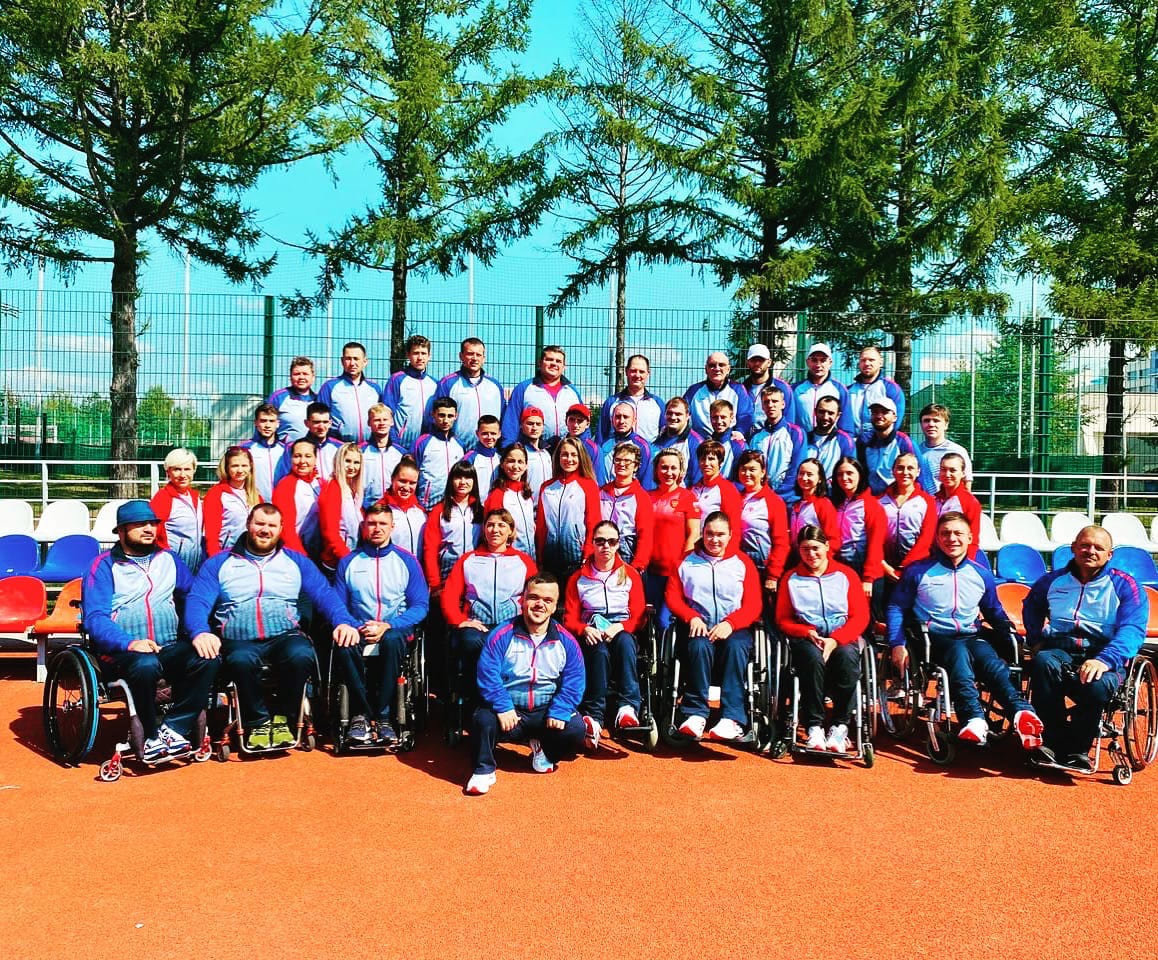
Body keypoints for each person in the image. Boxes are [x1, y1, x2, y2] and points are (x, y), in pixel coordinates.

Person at [186, 504, 359, 750]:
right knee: (240, 661)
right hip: (238, 639)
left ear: (280, 529)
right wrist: (200, 631)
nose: (265, 530)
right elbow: (198, 601)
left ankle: (283, 718)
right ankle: (257, 721)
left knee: (301, 655)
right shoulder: (219, 563)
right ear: (248, 524)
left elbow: (324, 594)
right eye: (260, 524)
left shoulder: (296, 562)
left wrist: (343, 622)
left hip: (284, 635)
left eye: (271, 525)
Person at [886, 511, 1044, 749]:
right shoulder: (918, 571)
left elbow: (994, 612)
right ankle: (973, 718)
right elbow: (896, 607)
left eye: (958, 533)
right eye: (945, 533)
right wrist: (897, 644)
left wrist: (1010, 634)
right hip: (932, 639)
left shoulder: (981, 574)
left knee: (992, 664)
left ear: (969, 537)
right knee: (959, 654)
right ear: (937, 538)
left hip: (971, 636)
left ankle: (1022, 712)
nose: (952, 538)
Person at [83, 500, 218, 762]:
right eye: (140, 524)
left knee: (208, 657)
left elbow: (193, 598)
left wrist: (200, 631)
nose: (149, 529)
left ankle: (174, 728)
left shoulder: (170, 560)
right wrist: (129, 643)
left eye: (153, 524)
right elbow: (96, 618)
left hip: (167, 646)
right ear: (121, 531)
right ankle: (151, 734)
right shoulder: (103, 566)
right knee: (146, 665)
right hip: (121, 652)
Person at [1025, 525, 1149, 772]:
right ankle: (1052, 742)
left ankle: (1077, 750)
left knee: (1097, 685)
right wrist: (1035, 638)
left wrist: (1105, 660)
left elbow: (1133, 629)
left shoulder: (1126, 586)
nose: (1090, 551)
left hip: (1103, 653)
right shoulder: (1050, 581)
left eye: (1098, 548)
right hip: (1060, 647)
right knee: (1042, 663)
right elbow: (1031, 606)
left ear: (1109, 555)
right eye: (1085, 545)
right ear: (1073, 548)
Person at [466, 574, 586, 796]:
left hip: (545, 713)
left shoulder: (566, 641)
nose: (540, 604)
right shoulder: (502, 634)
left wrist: (560, 710)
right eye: (534, 597)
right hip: (510, 712)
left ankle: (545, 751)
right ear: (523, 600)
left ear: (555, 607)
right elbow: (487, 673)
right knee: (482, 720)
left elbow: (575, 680)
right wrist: (503, 706)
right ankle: (484, 769)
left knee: (576, 729)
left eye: (548, 600)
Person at [331, 504, 430, 745]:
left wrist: (388, 625)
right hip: (358, 627)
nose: (377, 528)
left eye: (382, 524)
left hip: (395, 629)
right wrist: (354, 626)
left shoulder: (407, 560)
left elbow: (420, 605)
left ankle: (384, 716)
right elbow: (337, 605)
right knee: (344, 644)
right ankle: (361, 715)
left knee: (393, 640)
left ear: (392, 527)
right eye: (372, 523)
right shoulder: (349, 562)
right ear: (364, 526)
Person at [665, 511, 763, 741]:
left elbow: (754, 604)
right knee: (699, 646)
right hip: (698, 626)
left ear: (730, 535)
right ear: (702, 533)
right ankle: (695, 714)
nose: (714, 539)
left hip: (733, 628)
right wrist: (691, 617)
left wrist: (731, 623)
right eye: (709, 534)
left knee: (736, 647)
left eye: (720, 534)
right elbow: (672, 597)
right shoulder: (685, 562)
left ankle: (732, 719)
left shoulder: (742, 563)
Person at [776, 525, 870, 753]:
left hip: (842, 635)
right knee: (811, 659)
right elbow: (783, 618)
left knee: (848, 658)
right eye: (805, 549)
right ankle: (814, 726)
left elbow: (861, 616)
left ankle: (840, 726)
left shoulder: (846, 575)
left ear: (827, 547)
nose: (811, 554)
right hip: (808, 637)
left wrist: (836, 639)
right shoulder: (791, 578)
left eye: (816, 548)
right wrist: (806, 631)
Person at [441, 509, 538, 725]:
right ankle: (477, 703)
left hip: (511, 625)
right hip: (478, 625)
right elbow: (449, 596)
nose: (495, 530)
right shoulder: (469, 559)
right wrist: (460, 620)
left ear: (511, 531)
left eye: (502, 525)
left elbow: (535, 595)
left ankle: (514, 703)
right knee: (470, 642)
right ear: (484, 529)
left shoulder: (523, 561)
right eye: (491, 525)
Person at [565, 521, 648, 747]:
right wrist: (584, 629)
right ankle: (594, 715)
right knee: (599, 652)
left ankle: (627, 707)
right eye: (600, 541)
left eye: (611, 541)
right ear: (592, 543)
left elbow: (639, 615)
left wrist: (620, 627)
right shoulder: (578, 578)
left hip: (622, 630)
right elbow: (569, 618)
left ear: (618, 544)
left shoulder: (630, 574)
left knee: (624, 643)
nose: (606, 546)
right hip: (591, 631)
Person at [646, 449, 701, 629]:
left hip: (674, 572)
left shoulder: (687, 497)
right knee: (647, 620)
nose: (668, 472)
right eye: (664, 467)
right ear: (656, 470)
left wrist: (683, 565)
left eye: (673, 468)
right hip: (649, 572)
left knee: (664, 621)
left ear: (680, 471)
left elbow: (694, 533)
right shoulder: (647, 497)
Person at [535, 435, 601, 582]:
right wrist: (539, 555)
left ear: (580, 457)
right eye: (564, 454)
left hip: (576, 557)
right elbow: (541, 527)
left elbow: (593, 523)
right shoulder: (546, 487)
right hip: (550, 556)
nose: (569, 459)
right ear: (558, 457)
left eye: (573, 455)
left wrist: (588, 553)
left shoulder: (588, 485)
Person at [877, 453, 936, 608]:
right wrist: (883, 565)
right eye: (900, 468)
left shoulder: (927, 501)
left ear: (918, 471)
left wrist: (906, 566)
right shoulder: (879, 500)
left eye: (910, 468)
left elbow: (927, 537)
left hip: (914, 567)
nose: (905, 472)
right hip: (884, 568)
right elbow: (873, 536)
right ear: (893, 471)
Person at [501, 344, 583, 444]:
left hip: (566, 449)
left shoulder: (572, 391)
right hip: (532, 448)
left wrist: (586, 447)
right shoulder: (524, 388)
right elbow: (511, 422)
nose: (554, 364)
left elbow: (583, 421)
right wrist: (507, 448)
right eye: (549, 360)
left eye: (558, 361)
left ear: (564, 366)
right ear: (540, 363)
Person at [422, 459, 482, 592]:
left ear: (474, 481)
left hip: (474, 570)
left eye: (467, 477)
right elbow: (430, 548)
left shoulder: (480, 511)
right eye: (458, 477)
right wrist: (434, 581)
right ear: (451, 480)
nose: (463, 482)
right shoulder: (439, 510)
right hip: (447, 570)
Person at [735, 450, 790, 594]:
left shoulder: (773, 502)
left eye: (752, 469)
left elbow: (781, 542)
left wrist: (773, 575)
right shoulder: (736, 498)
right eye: (743, 469)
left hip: (762, 567)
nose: (747, 474)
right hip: (738, 564)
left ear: (763, 472)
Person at [830, 456, 886, 598]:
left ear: (860, 475)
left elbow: (876, 543)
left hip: (863, 568)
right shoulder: (836, 504)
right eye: (840, 474)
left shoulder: (871, 505)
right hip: (841, 565)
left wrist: (868, 578)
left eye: (850, 473)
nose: (844, 478)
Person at [437, 336, 505, 448]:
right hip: (457, 450)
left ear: (484, 358)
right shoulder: (447, 383)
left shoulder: (495, 386)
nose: (474, 358)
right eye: (470, 354)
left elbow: (503, 418)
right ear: (461, 356)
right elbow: (437, 418)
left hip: (488, 450)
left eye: (478, 355)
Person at [598, 442, 654, 572]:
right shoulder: (602, 492)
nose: (622, 464)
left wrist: (639, 564)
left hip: (626, 549)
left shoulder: (641, 497)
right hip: (602, 546)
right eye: (618, 460)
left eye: (627, 461)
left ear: (636, 466)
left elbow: (645, 535)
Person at [747, 386, 807, 502]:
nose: (770, 405)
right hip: (760, 497)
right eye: (766, 402)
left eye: (775, 401)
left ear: (783, 404)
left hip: (786, 498)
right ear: (762, 406)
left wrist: (781, 493)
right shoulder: (756, 435)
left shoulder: (796, 433)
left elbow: (796, 467)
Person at [317, 341, 383, 444]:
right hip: (340, 446)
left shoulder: (375, 388)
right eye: (348, 359)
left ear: (365, 361)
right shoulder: (329, 387)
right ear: (342, 361)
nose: (352, 363)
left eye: (356, 359)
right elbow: (319, 418)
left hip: (369, 446)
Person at [203, 446, 262, 558]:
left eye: (244, 466)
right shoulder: (216, 494)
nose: (240, 470)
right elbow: (211, 534)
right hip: (226, 553)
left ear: (250, 467)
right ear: (227, 468)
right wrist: (215, 558)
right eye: (234, 466)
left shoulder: (256, 495)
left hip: (251, 554)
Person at [382, 334, 439, 451]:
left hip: (426, 446)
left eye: (423, 353)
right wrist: (394, 442)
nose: (420, 357)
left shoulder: (434, 384)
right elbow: (387, 412)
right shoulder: (397, 380)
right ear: (408, 355)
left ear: (429, 356)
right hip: (401, 445)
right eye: (415, 353)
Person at [150, 447, 203, 573]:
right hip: (173, 566)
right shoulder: (163, 498)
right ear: (168, 472)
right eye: (177, 469)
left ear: (194, 470)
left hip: (194, 564)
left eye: (187, 469)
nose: (182, 475)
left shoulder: (194, 496)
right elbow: (155, 534)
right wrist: (169, 559)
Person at [483, 443, 538, 560]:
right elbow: (493, 534)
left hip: (531, 557)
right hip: (509, 559)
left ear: (526, 466)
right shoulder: (498, 495)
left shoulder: (526, 493)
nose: (515, 466)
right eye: (511, 461)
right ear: (502, 464)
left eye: (520, 462)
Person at [317, 442, 365, 572]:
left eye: (356, 462)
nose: (352, 467)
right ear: (339, 461)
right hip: (336, 562)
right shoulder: (333, 488)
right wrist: (347, 558)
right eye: (347, 461)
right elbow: (330, 532)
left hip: (351, 556)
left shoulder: (352, 488)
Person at [683, 351, 754, 437]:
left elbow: (746, 416)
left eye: (721, 365)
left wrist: (740, 432)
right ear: (706, 369)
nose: (717, 369)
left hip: (730, 440)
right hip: (701, 442)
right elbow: (682, 414)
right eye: (712, 365)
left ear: (728, 369)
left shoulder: (739, 390)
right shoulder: (693, 391)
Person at [598, 354, 665, 443]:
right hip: (617, 451)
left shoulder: (658, 404)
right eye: (633, 371)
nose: (637, 375)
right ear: (626, 371)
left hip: (649, 452)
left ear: (648, 373)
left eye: (641, 372)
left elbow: (665, 437)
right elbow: (601, 436)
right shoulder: (611, 402)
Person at [271, 439, 322, 556]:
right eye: (297, 456)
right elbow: (286, 530)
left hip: (319, 552)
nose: (302, 461)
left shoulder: (320, 483)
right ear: (291, 459)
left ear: (315, 458)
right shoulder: (285, 486)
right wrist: (302, 558)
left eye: (308, 456)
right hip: (298, 552)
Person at [412, 395, 465, 507]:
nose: (445, 420)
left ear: (456, 416)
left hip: (452, 504)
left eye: (450, 416)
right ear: (433, 414)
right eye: (441, 415)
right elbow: (411, 473)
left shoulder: (459, 445)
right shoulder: (422, 442)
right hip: (428, 504)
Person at [857, 397, 917, 495]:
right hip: (871, 498)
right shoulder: (864, 441)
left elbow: (918, 473)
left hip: (896, 497)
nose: (879, 416)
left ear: (895, 417)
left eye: (885, 412)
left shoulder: (904, 442)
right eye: (875, 412)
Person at [274, 401, 343, 484]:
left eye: (325, 422)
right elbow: (283, 478)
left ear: (330, 423)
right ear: (306, 423)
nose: (321, 427)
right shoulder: (293, 447)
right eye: (316, 422)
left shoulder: (339, 447)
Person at [793, 342, 854, 435]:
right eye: (814, 360)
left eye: (823, 360)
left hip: (829, 441)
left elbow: (846, 424)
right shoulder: (795, 389)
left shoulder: (840, 389)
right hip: (802, 440)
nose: (818, 365)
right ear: (807, 362)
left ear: (830, 363)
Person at [848, 345, 905, 441]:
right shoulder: (849, 390)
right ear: (859, 364)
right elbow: (843, 420)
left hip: (880, 443)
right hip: (853, 444)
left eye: (871, 360)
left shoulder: (891, 388)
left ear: (880, 363)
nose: (867, 363)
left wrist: (875, 441)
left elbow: (896, 420)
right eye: (863, 360)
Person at [916, 403, 973, 493]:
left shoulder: (957, 451)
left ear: (946, 425)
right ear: (921, 424)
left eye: (936, 420)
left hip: (948, 501)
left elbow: (966, 486)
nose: (931, 424)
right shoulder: (916, 452)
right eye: (926, 420)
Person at [933, 453, 981, 558]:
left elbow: (973, 540)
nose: (947, 474)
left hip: (956, 559)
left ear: (963, 473)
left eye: (953, 470)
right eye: (943, 469)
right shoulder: (934, 499)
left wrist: (966, 563)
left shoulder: (969, 502)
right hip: (934, 557)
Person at [594, 401, 653, 486]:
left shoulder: (643, 446)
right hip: (605, 492)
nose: (621, 421)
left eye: (626, 417)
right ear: (612, 420)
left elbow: (645, 480)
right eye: (618, 417)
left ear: (634, 421)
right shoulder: (604, 443)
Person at [742, 343, 798, 433]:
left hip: (771, 437)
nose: (757, 363)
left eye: (761, 360)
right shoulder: (741, 388)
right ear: (748, 363)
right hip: (745, 438)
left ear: (769, 362)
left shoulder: (782, 387)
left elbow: (789, 420)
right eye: (753, 360)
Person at [787, 458, 841, 550]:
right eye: (801, 473)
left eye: (809, 474)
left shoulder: (823, 505)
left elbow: (834, 540)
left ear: (819, 478)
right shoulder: (795, 505)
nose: (804, 478)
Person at [690, 440, 743, 532]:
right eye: (703, 459)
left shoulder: (728, 490)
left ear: (720, 462)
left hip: (715, 540)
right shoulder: (693, 489)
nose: (706, 463)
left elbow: (734, 528)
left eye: (711, 459)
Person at [651, 396, 704, 489]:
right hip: (658, 493)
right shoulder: (657, 439)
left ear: (687, 416)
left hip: (682, 495)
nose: (673, 417)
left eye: (678, 414)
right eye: (669, 413)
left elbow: (697, 480)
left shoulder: (696, 443)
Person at [378, 456, 426, 555]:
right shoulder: (380, 510)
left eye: (412, 483)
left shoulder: (421, 511)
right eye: (402, 481)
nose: (407, 487)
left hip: (417, 564)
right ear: (392, 479)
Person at [360, 403, 403, 508]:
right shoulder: (360, 451)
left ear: (392, 422)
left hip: (393, 506)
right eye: (377, 420)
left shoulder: (401, 453)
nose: (382, 423)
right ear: (369, 423)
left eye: (385, 419)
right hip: (367, 507)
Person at [267, 355, 318, 443]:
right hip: (286, 450)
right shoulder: (278, 398)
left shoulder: (319, 399)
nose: (301, 377)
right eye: (297, 374)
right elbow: (263, 423)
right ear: (290, 377)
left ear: (313, 377)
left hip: (312, 450)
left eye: (305, 374)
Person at [806, 395, 856, 482]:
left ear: (838, 415)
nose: (825, 417)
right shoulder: (805, 438)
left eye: (830, 413)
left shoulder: (845, 441)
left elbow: (849, 470)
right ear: (815, 412)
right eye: (822, 412)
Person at [240, 402, 284, 501]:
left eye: (271, 421)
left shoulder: (285, 450)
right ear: (256, 423)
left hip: (280, 503)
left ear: (277, 424)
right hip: (254, 502)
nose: (267, 425)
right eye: (263, 421)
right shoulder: (245, 448)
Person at [514, 406, 553, 504]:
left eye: (538, 424)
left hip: (547, 506)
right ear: (521, 426)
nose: (534, 428)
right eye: (530, 424)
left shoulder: (547, 451)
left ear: (543, 427)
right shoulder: (518, 451)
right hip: (526, 505)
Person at [460, 413, 502, 501]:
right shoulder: (470, 458)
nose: (489, 437)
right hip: (476, 506)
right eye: (485, 433)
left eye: (493, 433)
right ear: (477, 433)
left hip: (496, 505)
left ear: (499, 434)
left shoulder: (500, 458)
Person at [705, 398, 746, 478]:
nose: (719, 421)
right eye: (715, 417)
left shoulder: (738, 446)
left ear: (731, 418)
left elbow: (742, 479)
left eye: (723, 417)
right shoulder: (706, 444)